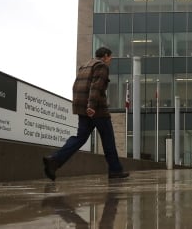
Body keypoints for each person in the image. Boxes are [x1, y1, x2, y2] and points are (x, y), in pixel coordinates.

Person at [43, 47, 129, 180]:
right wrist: (91, 106)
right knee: (108, 140)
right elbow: (96, 87)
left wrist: (84, 107)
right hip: (97, 110)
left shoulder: (84, 66)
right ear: (105, 56)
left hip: (82, 109)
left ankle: (55, 160)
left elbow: (76, 87)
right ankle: (115, 170)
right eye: (110, 57)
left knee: (79, 138)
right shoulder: (101, 67)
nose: (110, 60)